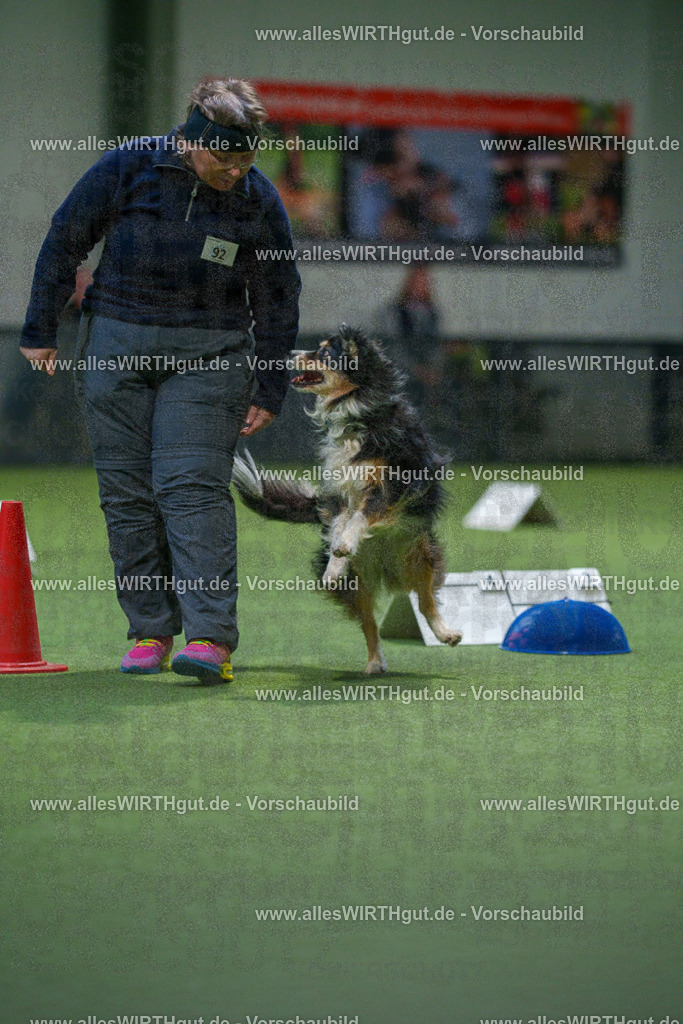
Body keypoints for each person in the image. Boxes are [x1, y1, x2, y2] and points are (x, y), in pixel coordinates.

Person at [19, 76, 302, 682]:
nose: (235, 170)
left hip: (211, 354)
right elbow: (66, 238)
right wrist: (39, 327)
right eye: (223, 157)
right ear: (192, 139)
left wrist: (270, 383)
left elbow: (278, 295)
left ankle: (209, 638)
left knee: (191, 486)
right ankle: (150, 630)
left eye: (247, 156)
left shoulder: (257, 198)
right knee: (127, 493)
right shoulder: (128, 167)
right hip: (116, 343)